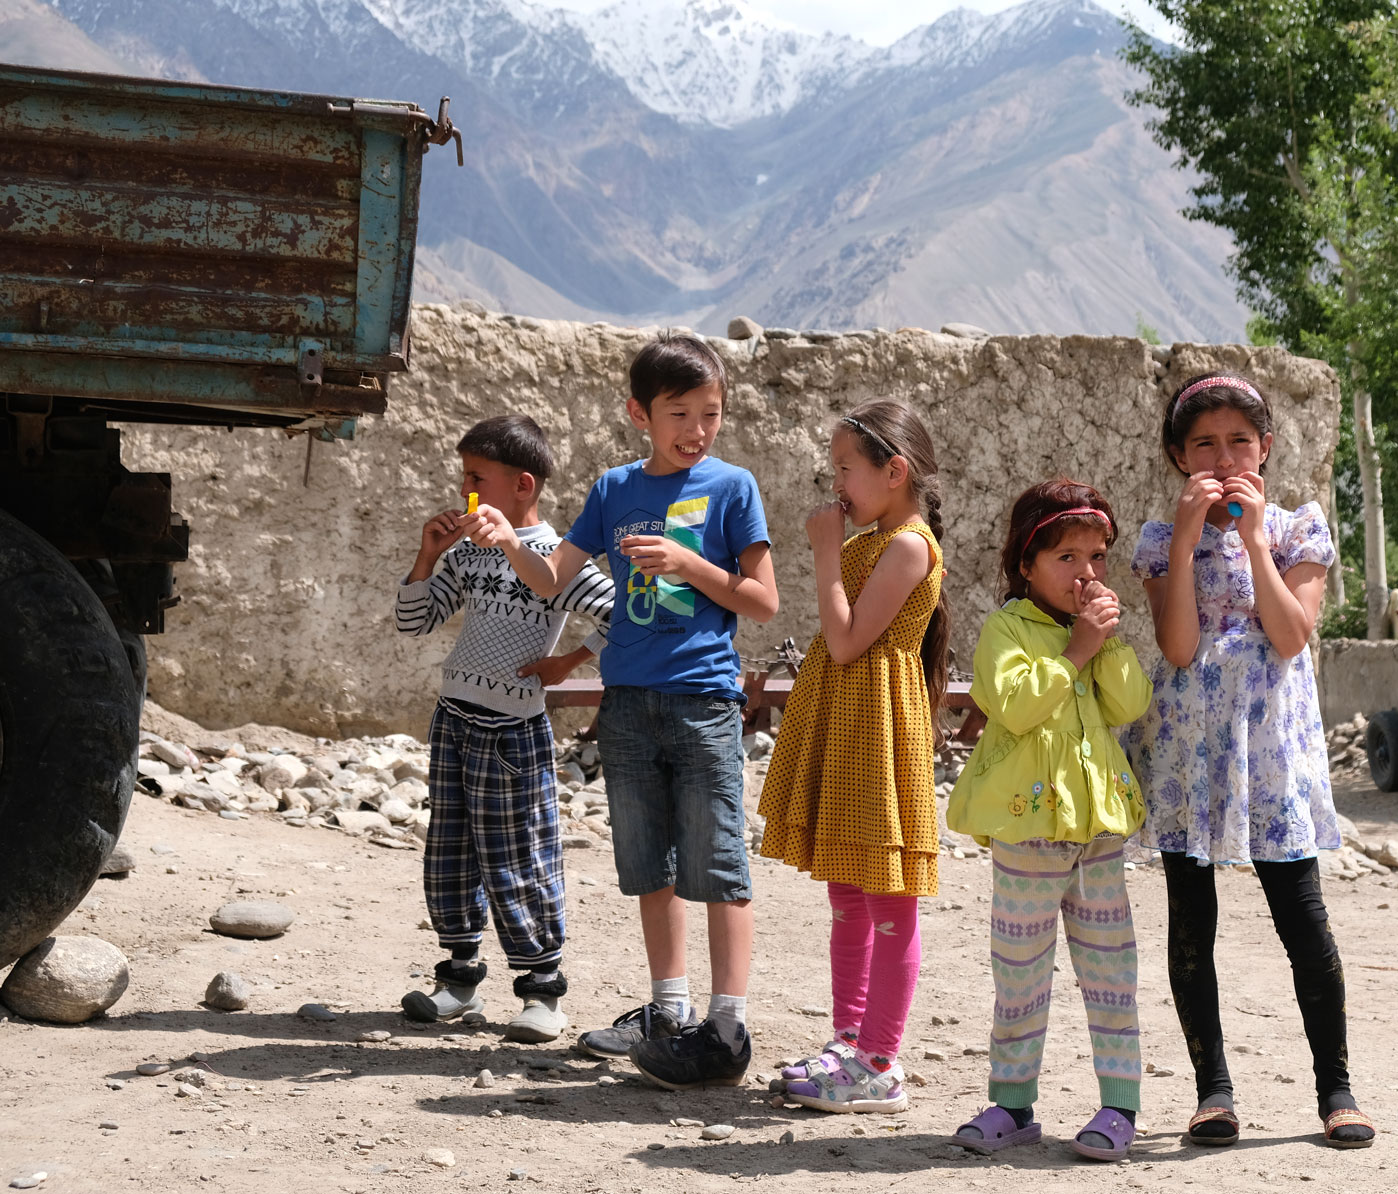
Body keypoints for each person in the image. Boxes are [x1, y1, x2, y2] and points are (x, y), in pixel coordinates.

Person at [465, 334, 778, 1089]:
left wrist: (690, 565)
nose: (696, 430)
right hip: (629, 705)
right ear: (639, 413)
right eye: (679, 413)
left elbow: (763, 602)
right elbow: (549, 582)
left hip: (704, 699)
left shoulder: (733, 487)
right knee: (648, 866)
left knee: (720, 864)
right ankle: (667, 1013)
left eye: (709, 413)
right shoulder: (611, 490)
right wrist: (509, 540)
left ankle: (726, 1025)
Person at [1123, 372, 1373, 1148]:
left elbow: (1291, 633)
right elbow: (1177, 645)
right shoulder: (1163, 541)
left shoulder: (1298, 530)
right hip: (1186, 754)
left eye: (1239, 441)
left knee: (1302, 918)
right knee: (1190, 922)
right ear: (1177, 456)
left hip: (1271, 758)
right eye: (1203, 444)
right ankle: (1213, 1093)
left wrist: (1255, 540)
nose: (1223, 457)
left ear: (1265, 450)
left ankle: (1336, 1091)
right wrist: (1193, 534)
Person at [944, 479, 1152, 1161]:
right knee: (1020, 974)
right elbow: (1014, 704)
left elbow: (1127, 704)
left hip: (1095, 834)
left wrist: (1104, 644)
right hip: (1027, 836)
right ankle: (1012, 1105)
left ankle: (1119, 1106)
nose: (1085, 572)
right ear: (1025, 565)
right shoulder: (1006, 630)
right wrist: (1075, 654)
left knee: (1109, 973)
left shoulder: (1094, 634)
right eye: (1066, 557)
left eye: (1095, 557)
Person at [395, 413, 614, 1044]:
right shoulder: (468, 552)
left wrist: (570, 661)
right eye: (464, 477)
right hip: (454, 720)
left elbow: (623, 614)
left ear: (522, 485)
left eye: (476, 479)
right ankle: (458, 980)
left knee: (520, 855)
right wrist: (428, 556)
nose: (465, 491)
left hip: (512, 732)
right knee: (450, 851)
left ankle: (542, 994)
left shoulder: (554, 558)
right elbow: (415, 620)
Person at [757, 401, 949, 1114]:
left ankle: (879, 1059)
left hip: (877, 728)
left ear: (893, 471)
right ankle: (848, 1037)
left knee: (888, 898)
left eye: (845, 467)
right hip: (849, 724)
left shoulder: (906, 545)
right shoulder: (874, 538)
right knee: (847, 889)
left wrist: (822, 552)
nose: (834, 480)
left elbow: (844, 642)